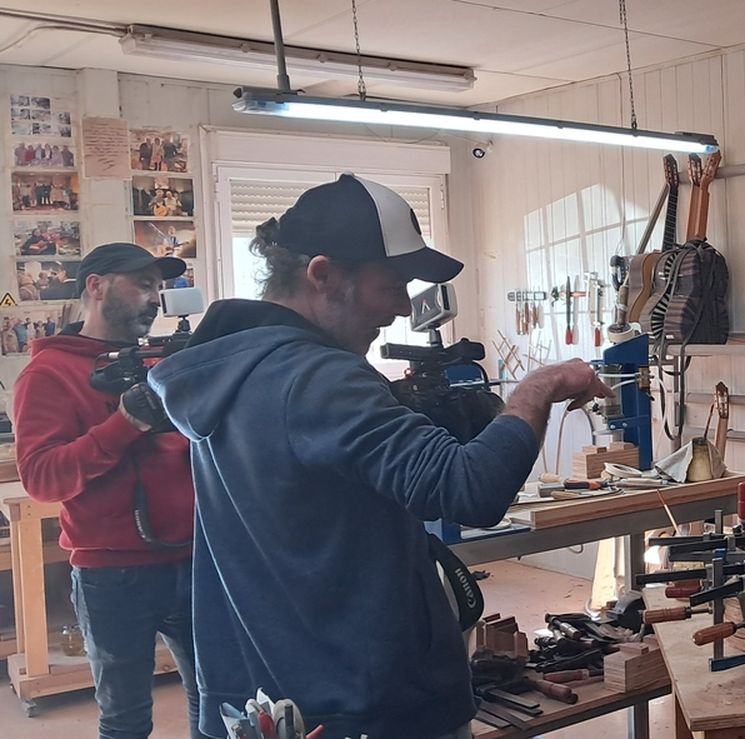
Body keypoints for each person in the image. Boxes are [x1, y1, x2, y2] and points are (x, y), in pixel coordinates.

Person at [148, 174, 612, 739]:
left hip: (274, 698)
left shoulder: (229, 370)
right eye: (390, 286)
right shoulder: (315, 376)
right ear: (322, 274)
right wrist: (538, 388)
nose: (400, 308)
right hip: (368, 703)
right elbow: (469, 489)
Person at [13, 242, 199, 739]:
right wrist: (124, 424)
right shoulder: (48, 374)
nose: (155, 298)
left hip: (193, 559)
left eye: (159, 287)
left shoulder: (159, 363)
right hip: (112, 576)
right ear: (96, 286)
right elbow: (42, 477)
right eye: (143, 284)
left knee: (216, 698)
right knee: (125, 721)